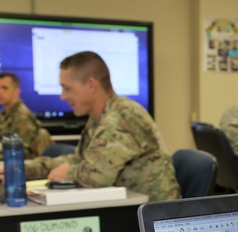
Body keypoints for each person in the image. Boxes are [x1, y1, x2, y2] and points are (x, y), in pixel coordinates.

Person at [21, 52, 179, 201]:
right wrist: (28, 169)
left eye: (67, 88)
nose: (63, 96)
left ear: (91, 85)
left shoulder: (122, 117)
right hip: (128, 209)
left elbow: (95, 178)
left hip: (152, 217)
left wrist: (67, 173)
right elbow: (80, 160)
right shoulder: (100, 118)